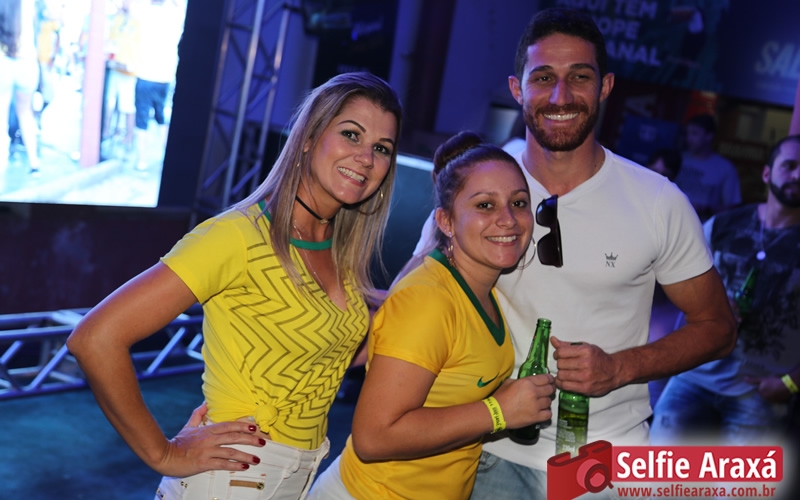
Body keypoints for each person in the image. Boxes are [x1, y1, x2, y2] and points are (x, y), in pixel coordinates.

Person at [66, 71, 403, 500]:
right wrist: (163, 454)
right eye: (351, 134)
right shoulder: (237, 236)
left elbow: (324, 357)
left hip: (296, 475)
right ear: (307, 138)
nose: (366, 157)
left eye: (381, 148)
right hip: (231, 478)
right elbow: (95, 338)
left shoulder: (339, 251)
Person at [460, 8, 736, 500]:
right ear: (517, 88)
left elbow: (717, 328)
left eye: (579, 77)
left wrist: (619, 368)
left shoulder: (657, 201)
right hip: (487, 452)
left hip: (603, 463)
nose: (560, 96)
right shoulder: (474, 188)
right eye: (543, 77)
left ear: (605, 86)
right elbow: (417, 292)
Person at [308, 131, 555, 500]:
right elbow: (374, 437)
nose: (508, 219)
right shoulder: (428, 299)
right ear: (446, 221)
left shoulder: (481, 291)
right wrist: (497, 411)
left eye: (518, 203)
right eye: (485, 205)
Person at [651, 135, 800, 451]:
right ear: (766, 173)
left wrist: (790, 383)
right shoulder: (722, 226)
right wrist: (709, 302)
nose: (797, 175)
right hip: (694, 375)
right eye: (789, 165)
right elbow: (671, 284)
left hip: (760, 390)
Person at [133, 0, 184, 171]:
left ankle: (141, 161)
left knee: (142, 119)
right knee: (161, 118)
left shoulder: (144, 13)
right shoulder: (174, 16)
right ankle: (168, 158)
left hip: (145, 75)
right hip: (165, 77)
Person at [0, 0, 42, 177]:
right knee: (26, 113)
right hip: (28, 63)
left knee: (1, 115)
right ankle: (34, 164)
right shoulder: (29, 3)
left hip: (4, 61)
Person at [675, 113, 742, 221]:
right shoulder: (678, 159)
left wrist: (706, 209)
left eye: (694, 133)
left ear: (709, 136)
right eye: (687, 133)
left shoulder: (725, 168)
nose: (689, 138)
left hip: (703, 227)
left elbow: (732, 208)